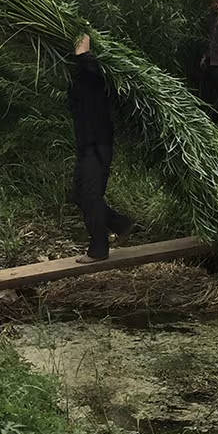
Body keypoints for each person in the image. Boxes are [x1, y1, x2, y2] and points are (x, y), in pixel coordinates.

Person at [68, 34, 132, 263]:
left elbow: (93, 67)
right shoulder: (79, 74)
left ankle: (99, 249)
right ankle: (120, 223)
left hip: (97, 144)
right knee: (78, 195)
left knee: (91, 196)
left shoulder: (96, 71)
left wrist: (84, 52)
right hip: (86, 144)